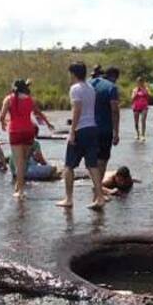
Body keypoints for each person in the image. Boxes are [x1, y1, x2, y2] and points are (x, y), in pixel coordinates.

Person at [56, 61, 104, 210]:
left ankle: (68, 199)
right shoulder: (91, 88)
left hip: (80, 129)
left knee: (68, 166)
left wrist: (72, 131)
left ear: (73, 74)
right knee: (92, 165)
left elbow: (77, 109)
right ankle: (100, 197)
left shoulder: (75, 89)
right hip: (92, 128)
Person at [0, 78, 54, 198]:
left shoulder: (8, 99)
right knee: (24, 161)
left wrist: (3, 124)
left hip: (15, 132)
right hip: (29, 131)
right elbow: (39, 113)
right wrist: (48, 124)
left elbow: (1, 116)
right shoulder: (30, 99)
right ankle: (18, 186)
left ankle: (20, 191)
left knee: (19, 162)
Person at [89, 66, 121, 191]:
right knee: (102, 160)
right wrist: (116, 132)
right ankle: (98, 189)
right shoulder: (111, 87)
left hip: (87, 128)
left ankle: (95, 187)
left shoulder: (88, 84)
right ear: (114, 77)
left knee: (92, 160)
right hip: (104, 129)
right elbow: (114, 110)